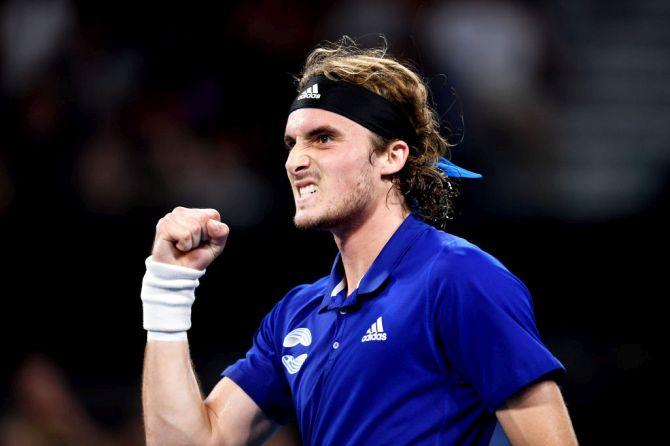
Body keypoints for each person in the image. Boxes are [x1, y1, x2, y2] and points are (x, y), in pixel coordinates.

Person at [140, 38, 579, 445]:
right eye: (292, 143)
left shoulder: (459, 277)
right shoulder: (296, 315)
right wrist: (167, 290)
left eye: (323, 139)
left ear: (392, 156)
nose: (295, 161)